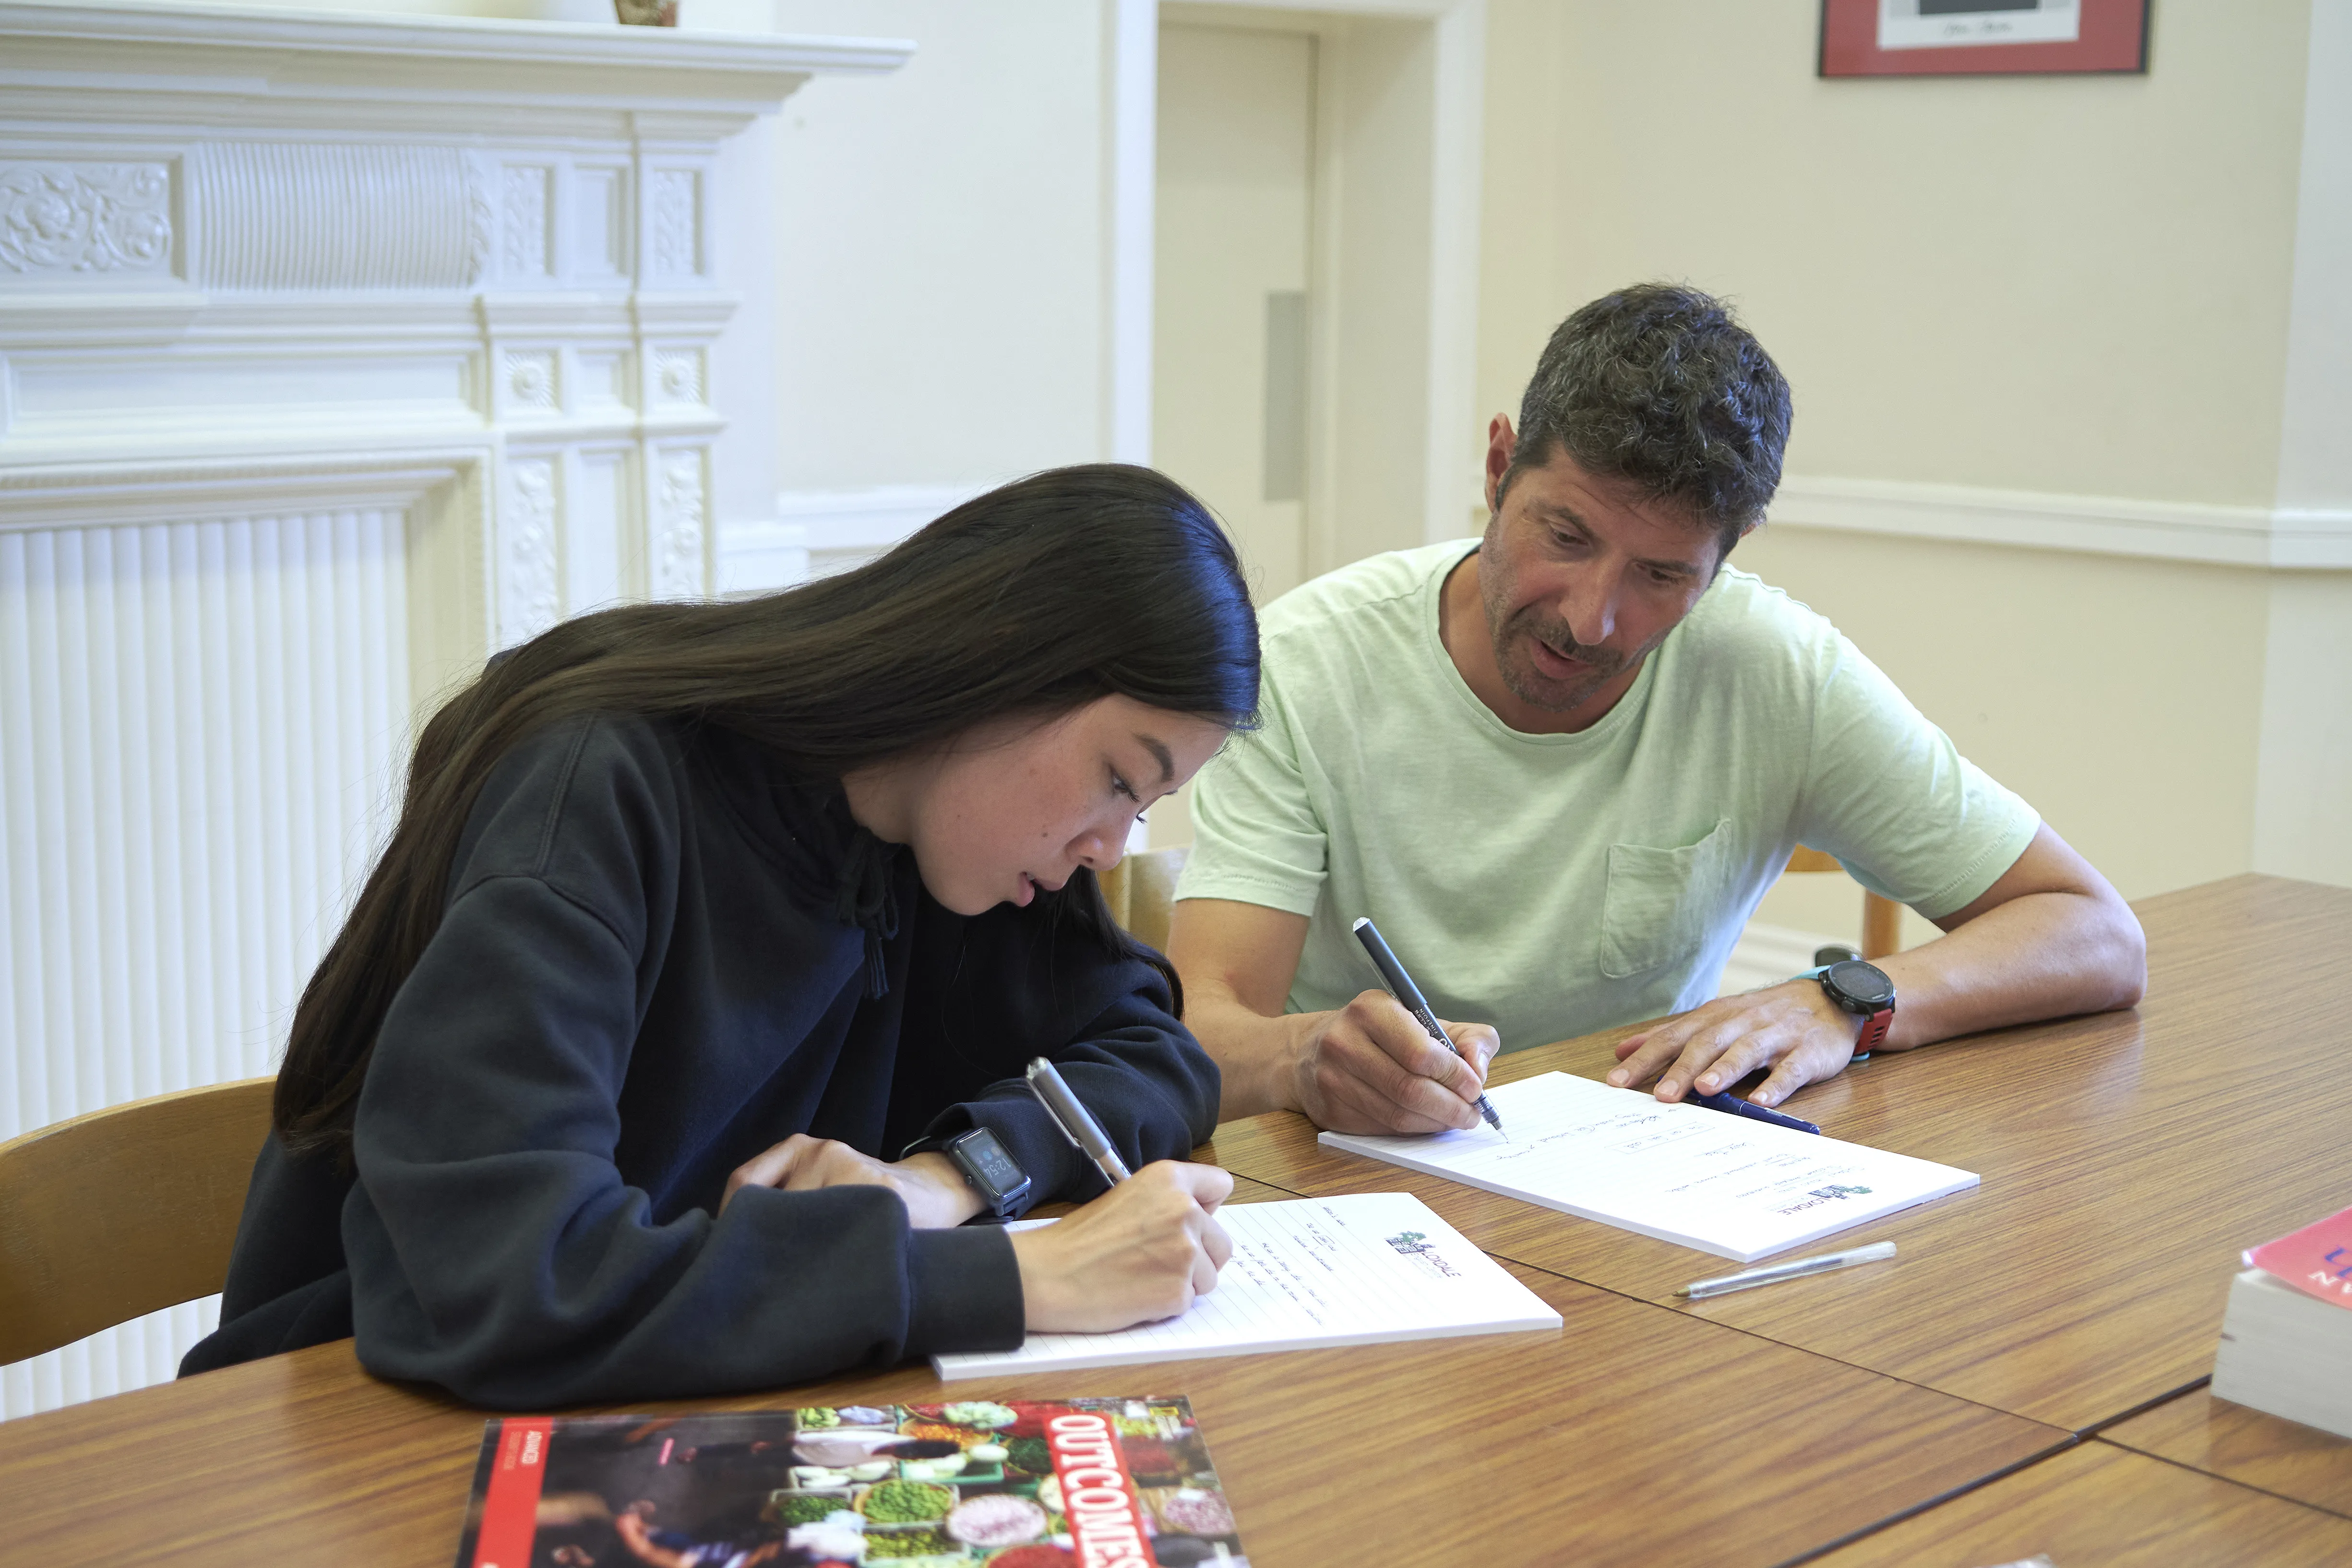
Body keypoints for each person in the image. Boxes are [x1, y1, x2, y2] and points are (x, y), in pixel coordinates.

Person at [180, 465, 1254, 1405]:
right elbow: (514, 1278)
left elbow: (1154, 1055)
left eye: (1141, 810)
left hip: (682, 1395)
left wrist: (946, 1177)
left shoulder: (957, 857)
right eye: (1118, 777)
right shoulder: (599, 785)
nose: (1110, 849)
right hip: (360, 1419)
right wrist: (1026, 1280)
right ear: (1001, 662)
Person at [1167, 284, 2147, 1135]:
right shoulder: (1303, 664)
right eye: (1564, 533)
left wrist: (1845, 1003)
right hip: (1347, 1183)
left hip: (1636, 1183)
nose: (1591, 618)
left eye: (1662, 574)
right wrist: (1303, 1057)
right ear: (1497, 465)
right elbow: (1204, 1033)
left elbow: (2091, 932)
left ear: (1731, 551)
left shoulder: (1772, 670)